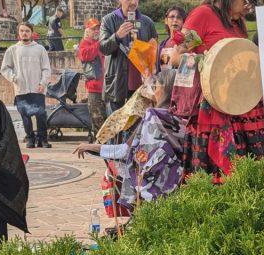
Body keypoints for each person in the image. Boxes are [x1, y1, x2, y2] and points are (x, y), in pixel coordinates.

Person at [166, 0, 264, 180]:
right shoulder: (203, 15)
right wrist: (209, 60)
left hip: (239, 109)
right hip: (211, 112)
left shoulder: (238, 24)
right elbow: (177, 58)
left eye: (251, 5)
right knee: (216, 174)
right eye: (245, 2)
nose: (247, 10)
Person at [73, 69, 185, 208]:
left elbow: (126, 151)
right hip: (180, 183)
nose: (153, 92)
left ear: (163, 90)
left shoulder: (153, 117)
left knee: (126, 169)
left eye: (155, 87)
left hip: (154, 189)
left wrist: (93, 147)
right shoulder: (185, 118)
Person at [99, 0, 158, 118]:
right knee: (115, 127)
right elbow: (103, 48)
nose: (133, 2)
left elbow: (154, 48)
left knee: (137, 127)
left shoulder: (147, 22)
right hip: (117, 82)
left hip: (141, 83)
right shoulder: (109, 20)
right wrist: (117, 36)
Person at [1, 22, 52, 148]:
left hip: (38, 88)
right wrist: (14, 78)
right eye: (22, 30)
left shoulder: (40, 49)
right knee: (25, 115)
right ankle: (30, 138)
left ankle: (43, 139)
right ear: (19, 32)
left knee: (40, 114)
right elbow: (5, 69)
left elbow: (46, 68)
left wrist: (43, 83)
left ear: (31, 32)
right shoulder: (12, 50)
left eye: (27, 31)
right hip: (21, 89)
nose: (24, 33)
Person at [77, 17, 106, 132]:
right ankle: (97, 147)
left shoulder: (102, 43)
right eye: (94, 29)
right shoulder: (85, 43)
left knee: (105, 119)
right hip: (95, 89)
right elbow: (85, 55)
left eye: (98, 28)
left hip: (106, 87)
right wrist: (98, 43)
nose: (97, 31)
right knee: (97, 119)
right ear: (87, 31)